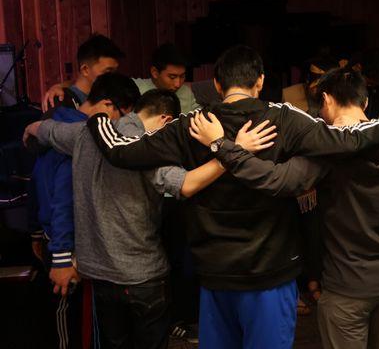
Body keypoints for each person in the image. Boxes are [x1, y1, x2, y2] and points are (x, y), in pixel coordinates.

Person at [80, 45, 379, 349]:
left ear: (218, 86)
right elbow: (347, 140)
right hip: (272, 272)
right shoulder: (284, 118)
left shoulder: (194, 123)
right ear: (260, 81)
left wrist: (96, 119)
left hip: (215, 273)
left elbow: (122, 152)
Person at [23, 77, 227, 349]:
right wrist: (229, 155)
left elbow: (48, 130)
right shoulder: (148, 147)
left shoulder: (83, 134)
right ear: (166, 120)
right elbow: (186, 184)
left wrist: (31, 127)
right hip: (144, 277)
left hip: (100, 277)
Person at [28, 72, 133, 349]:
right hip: (69, 247)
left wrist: (36, 232)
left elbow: (35, 184)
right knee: (75, 331)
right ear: (108, 106)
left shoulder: (53, 124)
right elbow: (65, 197)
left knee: (66, 325)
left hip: (54, 238)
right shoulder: (81, 137)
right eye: (122, 117)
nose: (119, 127)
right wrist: (63, 258)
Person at [44, 42, 200, 114]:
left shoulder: (186, 93)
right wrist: (60, 87)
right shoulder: (63, 100)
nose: (178, 83)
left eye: (115, 71)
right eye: (108, 71)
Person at [42, 34, 123, 113]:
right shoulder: (61, 100)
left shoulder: (110, 96)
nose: (114, 77)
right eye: (108, 71)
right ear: (85, 70)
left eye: (115, 72)